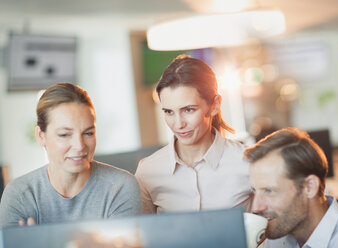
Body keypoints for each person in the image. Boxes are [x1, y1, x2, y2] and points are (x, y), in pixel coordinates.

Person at [0, 82, 141, 228]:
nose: (80, 146)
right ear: (41, 136)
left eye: (88, 133)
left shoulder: (120, 187)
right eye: (64, 134)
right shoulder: (19, 195)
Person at [135, 55, 252, 213]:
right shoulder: (148, 171)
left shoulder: (247, 163)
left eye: (188, 110)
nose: (178, 124)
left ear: (215, 105)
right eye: (169, 112)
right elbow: (143, 234)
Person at [244, 127, 338, 247]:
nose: (256, 207)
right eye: (255, 191)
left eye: (269, 191)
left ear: (309, 187)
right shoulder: (277, 239)